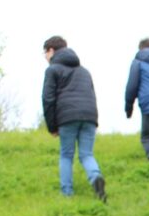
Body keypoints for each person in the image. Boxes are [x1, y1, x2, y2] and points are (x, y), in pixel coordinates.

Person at [41, 36, 106, 202]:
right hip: (90, 116)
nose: (45, 57)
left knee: (66, 155)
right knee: (86, 154)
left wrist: (52, 127)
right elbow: (92, 94)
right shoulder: (84, 71)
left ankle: (67, 193)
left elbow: (48, 99)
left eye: (45, 53)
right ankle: (95, 178)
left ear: (51, 51)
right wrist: (93, 118)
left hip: (67, 117)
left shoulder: (52, 70)